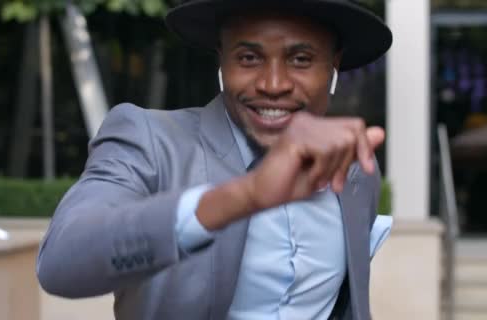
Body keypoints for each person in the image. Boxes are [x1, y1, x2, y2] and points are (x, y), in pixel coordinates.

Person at [37, 0, 394, 319]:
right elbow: (61, 263)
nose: (273, 84)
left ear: (334, 65)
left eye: (301, 59)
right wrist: (245, 196)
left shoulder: (352, 165)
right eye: (249, 58)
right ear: (221, 60)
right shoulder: (150, 139)